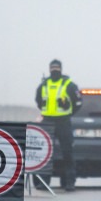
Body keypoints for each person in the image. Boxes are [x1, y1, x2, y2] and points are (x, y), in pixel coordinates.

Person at [35, 59, 82, 191]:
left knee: (67, 152)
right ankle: (44, 182)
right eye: (52, 68)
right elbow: (38, 101)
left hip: (63, 122)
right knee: (46, 153)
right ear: (49, 69)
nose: (54, 70)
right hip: (47, 122)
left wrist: (68, 112)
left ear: (61, 69)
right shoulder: (44, 84)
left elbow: (78, 102)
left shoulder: (69, 84)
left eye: (57, 68)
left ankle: (70, 182)